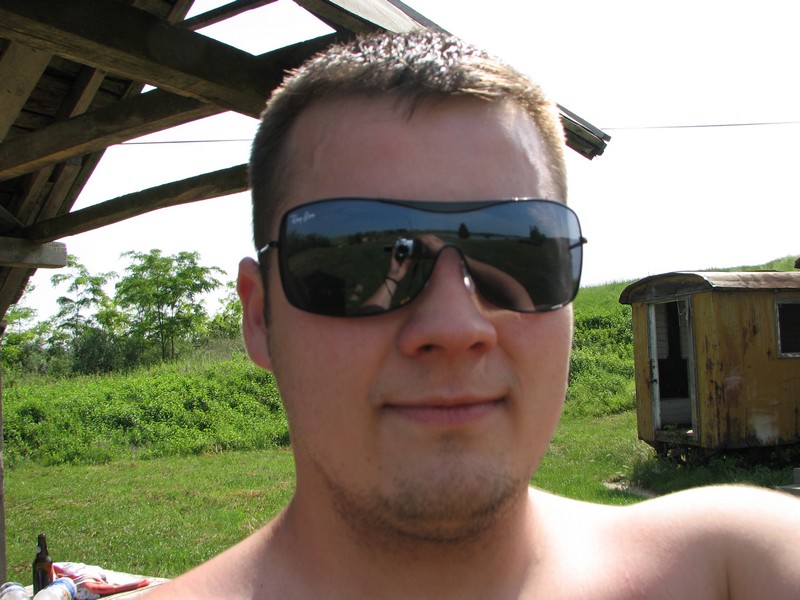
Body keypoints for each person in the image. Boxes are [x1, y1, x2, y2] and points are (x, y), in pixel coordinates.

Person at [146, 30, 800, 599]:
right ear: (260, 317)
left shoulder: (737, 565)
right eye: (360, 253)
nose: (456, 328)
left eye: (521, 248)